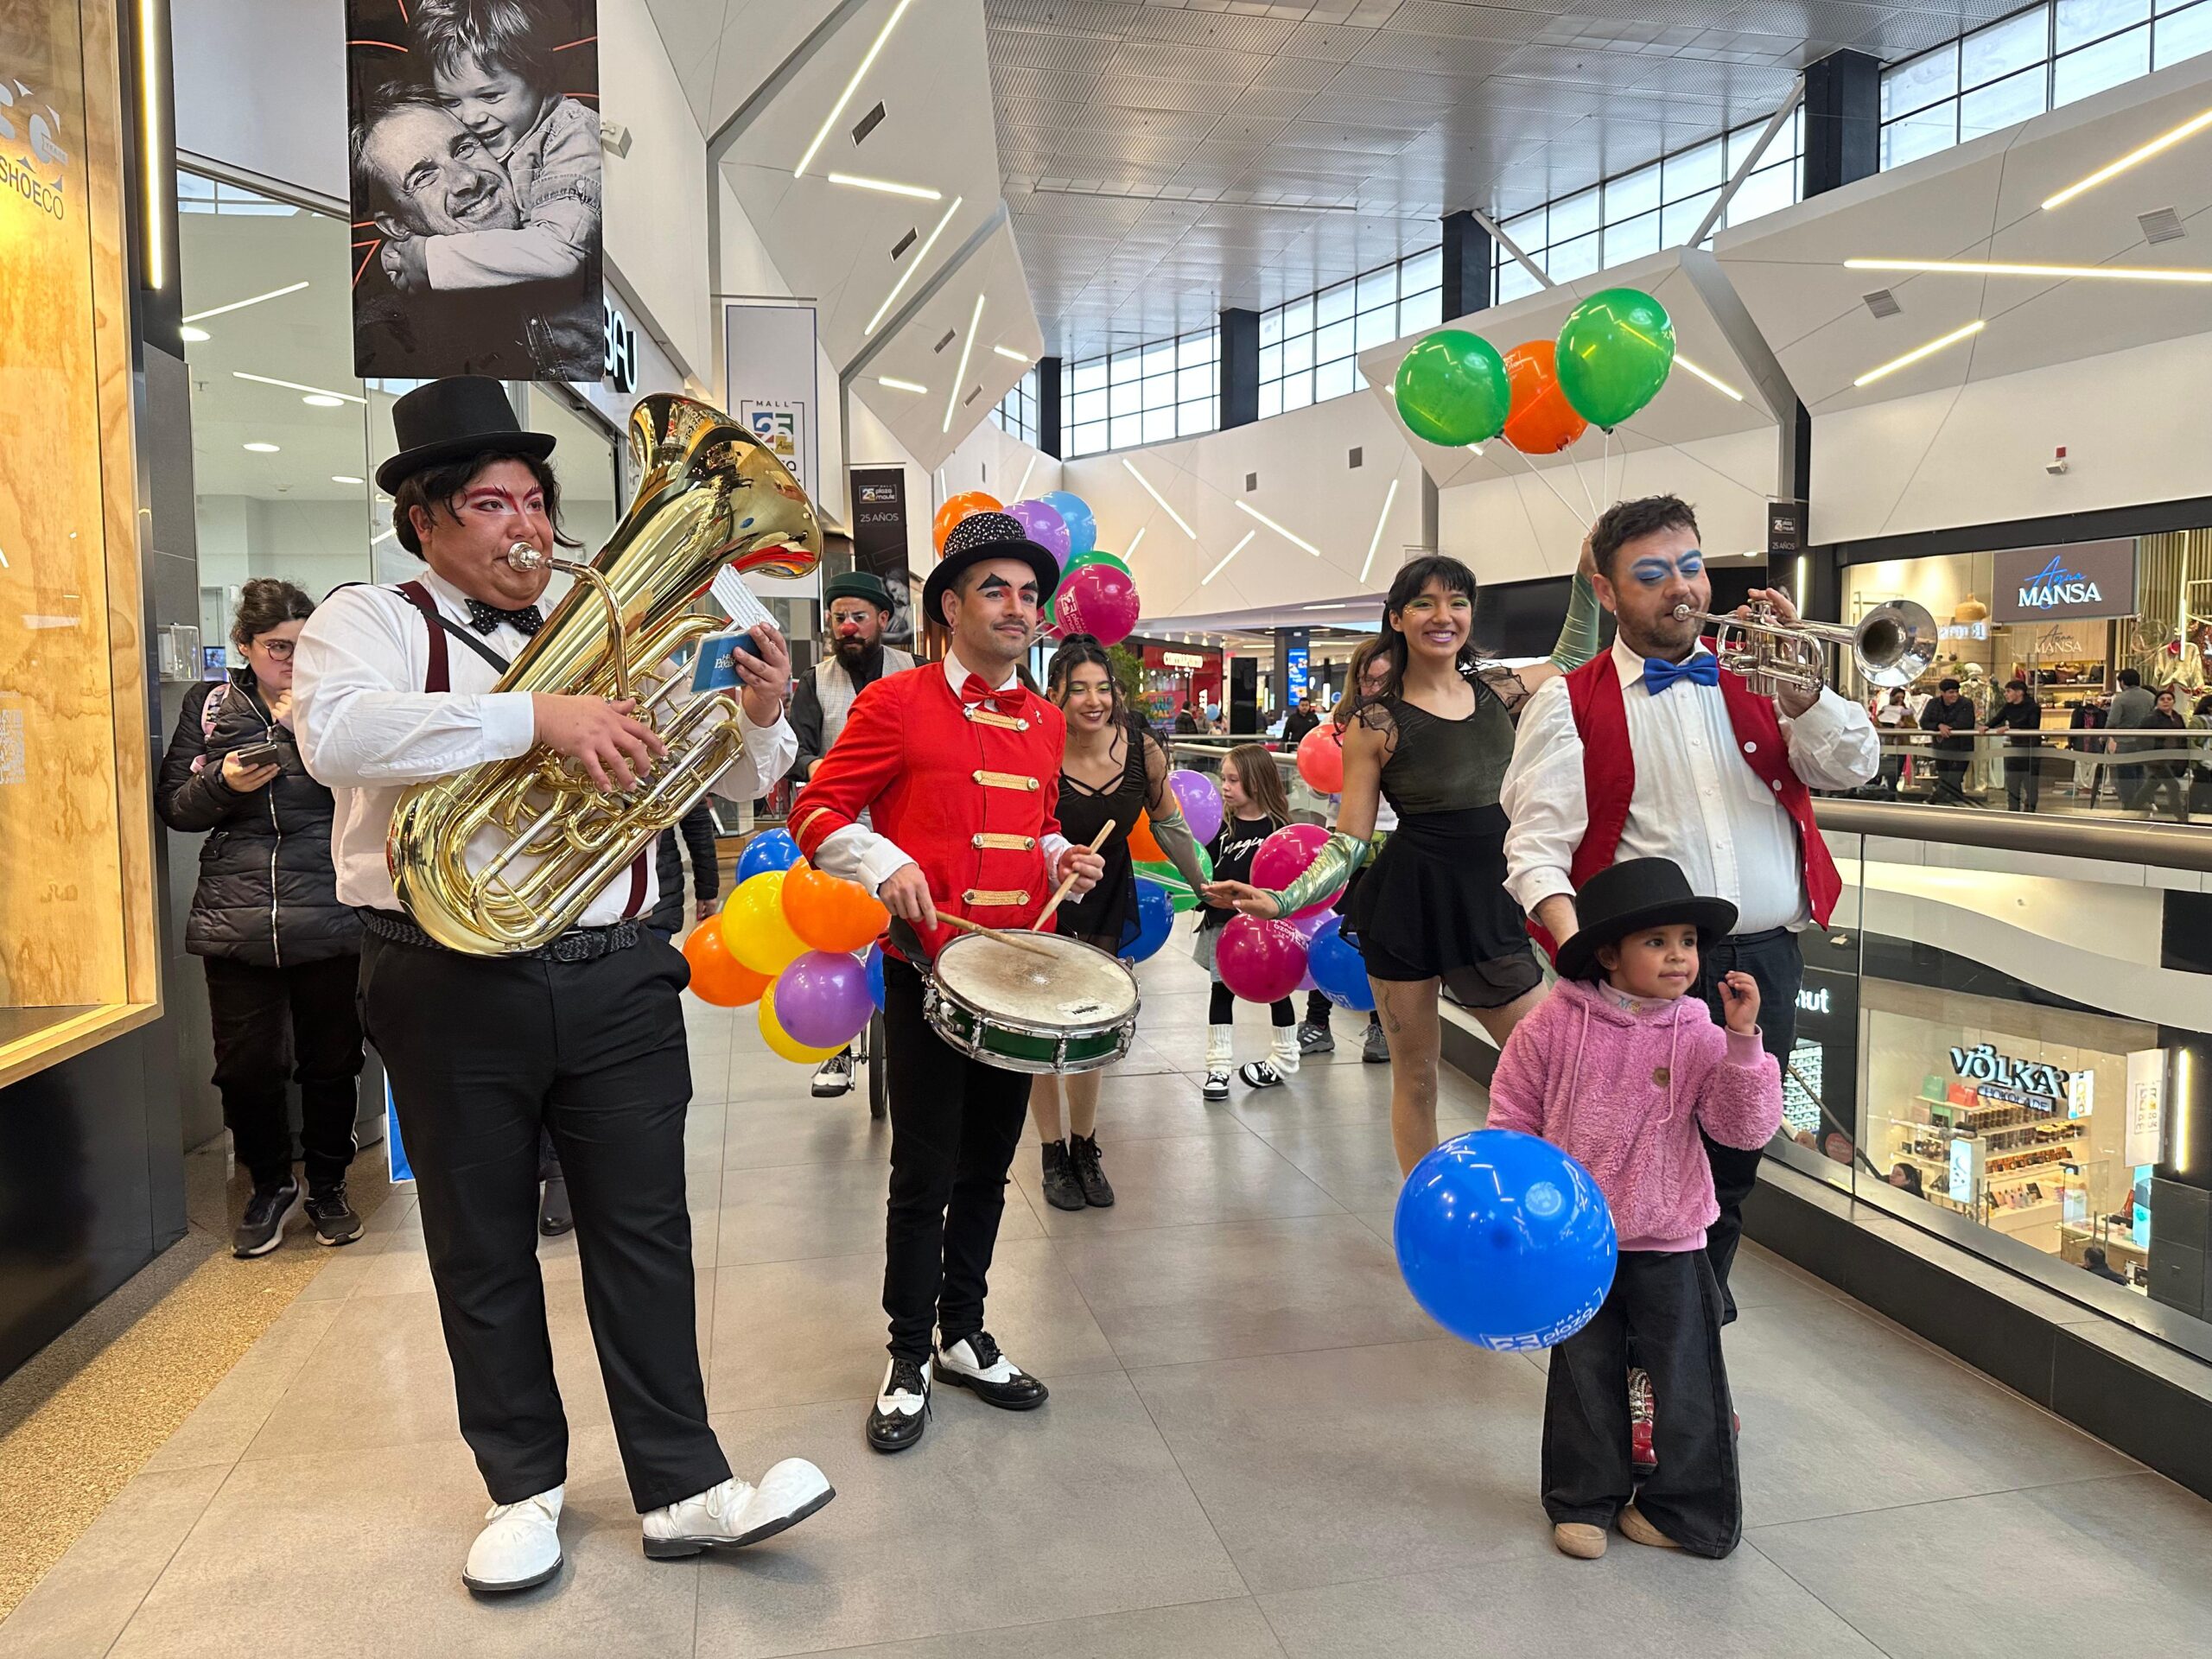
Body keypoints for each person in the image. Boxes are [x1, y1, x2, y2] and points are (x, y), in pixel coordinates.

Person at [292, 377, 831, 1592]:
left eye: (536, 498)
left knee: (646, 1234)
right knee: (480, 1243)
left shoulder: (619, 620)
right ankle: (522, 1485)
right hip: (445, 979)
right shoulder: (370, 619)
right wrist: (535, 716)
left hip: (617, 974)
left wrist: (757, 722)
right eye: (491, 503)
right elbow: (335, 737)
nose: (527, 526)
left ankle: (685, 1485)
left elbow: (732, 791)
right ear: (425, 521)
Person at [1499, 494, 1878, 1321]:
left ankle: (1691, 1355)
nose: (1680, 589)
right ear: (1605, 593)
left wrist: (1808, 689)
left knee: (1733, 1171)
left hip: (1765, 963)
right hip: (1640, 981)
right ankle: (1641, 1355)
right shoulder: (1570, 700)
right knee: (1635, 1172)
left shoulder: (1763, 676)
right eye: (1651, 575)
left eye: (1691, 566)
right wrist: (1580, 960)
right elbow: (1534, 850)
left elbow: (1855, 766)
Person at [788, 511, 1104, 1453]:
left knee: (987, 1166)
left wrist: (1058, 861)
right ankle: (906, 1352)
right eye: (996, 590)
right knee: (920, 1170)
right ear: (950, 608)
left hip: (1014, 978)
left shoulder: (1046, 721)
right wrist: (878, 859)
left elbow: (1034, 821)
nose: (1019, 607)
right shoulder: (894, 703)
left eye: (1029, 593)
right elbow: (816, 806)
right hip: (925, 971)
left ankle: (962, 1332)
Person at [1213, 550, 1603, 1175]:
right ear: (1397, 618)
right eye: (1424, 602)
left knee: (1551, 1067)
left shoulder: (1498, 691)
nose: (1442, 616)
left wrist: (1586, 575)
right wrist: (1284, 901)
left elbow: (1574, 658)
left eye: (1457, 602)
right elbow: (1350, 840)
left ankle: (1546, 1204)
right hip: (1410, 903)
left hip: (1489, 900)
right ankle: (1419, 1217)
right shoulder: (1375, 724)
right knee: (1416, 1076)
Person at [1484, 858, 1781, 1561]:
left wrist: (1744, 1041)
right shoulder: (1552, 1026)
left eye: (1687, 940)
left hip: (1671, 1234)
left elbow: (1742, 1130)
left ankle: (1687, 1511)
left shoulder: (1703, 1031)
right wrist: (1526, 1211)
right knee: (1585, 1373)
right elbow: (1511, 1117)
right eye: (1657, 942)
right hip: (1576, 1241)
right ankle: (1584, 1499)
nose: (1679, 955)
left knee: (1688, 1376)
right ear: (1609, 954)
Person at [156, 580, 366, 1258]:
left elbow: (378, 784)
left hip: (331, 903)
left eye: (307, 648)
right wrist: (223, 783)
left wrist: (302, 730)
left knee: (332, 1061)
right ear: (244, 646)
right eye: (278, 648)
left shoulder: (336, 700)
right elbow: (177, 808)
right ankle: (268, 1186)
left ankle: (330, 1186)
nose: (293, 661)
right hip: (235, 913)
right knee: (244, 1066)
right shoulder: (211, 706)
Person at [1028, 634, 1210, 1209]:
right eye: (1077, 688)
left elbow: (1170, 825)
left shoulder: (1141, 752)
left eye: (1103, 688)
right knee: (1042, 1026)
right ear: (1055, 692)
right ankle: (1051, 1151)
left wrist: (1206, 886)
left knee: (1091, 1023)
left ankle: (1085, 1144)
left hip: (1107, 895)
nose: (1093, 700)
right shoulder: (1036, 746)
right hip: (1044, 894)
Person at [378, 0, 601, 386]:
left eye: (491, 96)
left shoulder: (572, 132)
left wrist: (430, 257)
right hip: (542, 369)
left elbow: (559, 250)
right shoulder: (500, 145)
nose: (471, 117)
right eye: (451, 101)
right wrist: (406, 248)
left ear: (538, 76)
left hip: (587, 365)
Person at [349, 86, 594, 379]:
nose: (467, 179)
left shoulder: (566, 212)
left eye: (464, 149)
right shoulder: (393, 335)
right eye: (424, 176)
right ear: (396, 226)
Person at [788, 569, 916, 1097]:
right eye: (838, 617)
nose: (847, 627)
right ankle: (835, 1048)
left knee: (908, 937)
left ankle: (915, 1037)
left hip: (902, 830)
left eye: (858, 617)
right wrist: (817, 768)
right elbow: (793, 747)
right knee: (831, 935)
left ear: (884, 621)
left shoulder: (914, 673)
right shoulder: (817, 681)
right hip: (839, 828)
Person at [1296, 637, 1394, 1066]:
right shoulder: (1343, 724)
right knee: (1333, 928)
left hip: (1395, 839)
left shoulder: (1411, 721)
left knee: (1381, 938)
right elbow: (1323, 784)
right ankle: (1318, 1021)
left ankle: (1381, 1025)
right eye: (1366, 678)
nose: (1374, 686)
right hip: (1348, 841)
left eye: (1383, 678)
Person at [1195, 746, 1305, 1097]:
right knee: (1220, 990)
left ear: (1256, 783)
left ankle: (1286, 1057)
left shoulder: (1279, 829)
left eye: (1233, 780)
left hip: (1269, 932)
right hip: (1223, 927)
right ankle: (1217, 1067)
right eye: (1223, 779)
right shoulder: (1219, 825)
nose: (1225, 787)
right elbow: (1204, 868)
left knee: (1278, 991)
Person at [649, 799, 721, 940]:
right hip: (659, 891)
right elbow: (697, 821)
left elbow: (696, 819)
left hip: (657, 894)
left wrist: (707, 889)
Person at [1918, 677, 1979, 806]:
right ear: (1943, 693)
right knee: (1946, 778)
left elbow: (1966, 723)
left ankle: (1931, 799)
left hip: (1962, 748)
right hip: (1941, 749)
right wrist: (1939, 726)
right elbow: (1924, 722)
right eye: (1951, 692)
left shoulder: (1966, 703)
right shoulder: (1933, 703)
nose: (1955, 695)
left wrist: (1946, 728)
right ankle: (1959, 805)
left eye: (1957, 692)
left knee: (1953, 778)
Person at [1992, 677, 2043, 812]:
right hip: (2015, 750)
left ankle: (2030, 812)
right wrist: (1984, 727)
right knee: (2013, 783)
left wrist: (2010, 728)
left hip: (2031, 750)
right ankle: (2012, 811)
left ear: (2019, 692)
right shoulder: (2009, 707)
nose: (2006, 694)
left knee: (2030, 784)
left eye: (2008, 691)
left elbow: (2032, 726)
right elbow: (1997, 719)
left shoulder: (2033, 707)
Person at [2140, 687, 2191, 822]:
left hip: (2172, 759)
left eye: (2169, 699)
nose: (2166, 702)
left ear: (2174, 701)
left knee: (2151, 785)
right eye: (2162, 699)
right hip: (2157, 759)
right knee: (2173, 785)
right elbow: (2142, 738)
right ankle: (2179, 815)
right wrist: (2149, 756)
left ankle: (2132, 806)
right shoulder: (2151, 718)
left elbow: (2183, 737)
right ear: (2157, 702)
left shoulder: (2177, 717)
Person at [2110, 667, 2157, 808]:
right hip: (2145, 743)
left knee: (2126, 776)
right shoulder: (2150, 697)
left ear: (2123, 682)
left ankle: (2129, 803)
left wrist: (2106, 737)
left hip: (2125, 743)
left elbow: (2112, 721)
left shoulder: (2120, 699)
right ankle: (2143, 800)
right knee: (2141, 773)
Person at [2069, 695, 2110, 804]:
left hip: (2095, 741)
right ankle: (2083, 787)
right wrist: (2070, 743)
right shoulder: (2078, 713)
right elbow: (2073, 728)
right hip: (2081, 740)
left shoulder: (2102, 714)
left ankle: (2091, 786)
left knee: (2094, 763)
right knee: (2080, 764)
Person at [1873, 687, 1910, 794]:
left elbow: (1915, 725)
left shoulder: (1906, 712)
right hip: (1886, 744)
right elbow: (1876, 723)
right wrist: (1886, 728)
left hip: (1900, 745)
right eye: (1898, 697)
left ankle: (1892, 791)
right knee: (1884, 768)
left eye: (1902, 697)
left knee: (1896, 770)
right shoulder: (1884, 710)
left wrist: (1904, 725)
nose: (1900, 699)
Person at [2190, 692, 2212, 817]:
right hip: (2201, 761)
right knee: (2200, 785)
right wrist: (2201, 755)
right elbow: (2190, 740)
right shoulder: (2197, 721)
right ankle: (2190, 810)